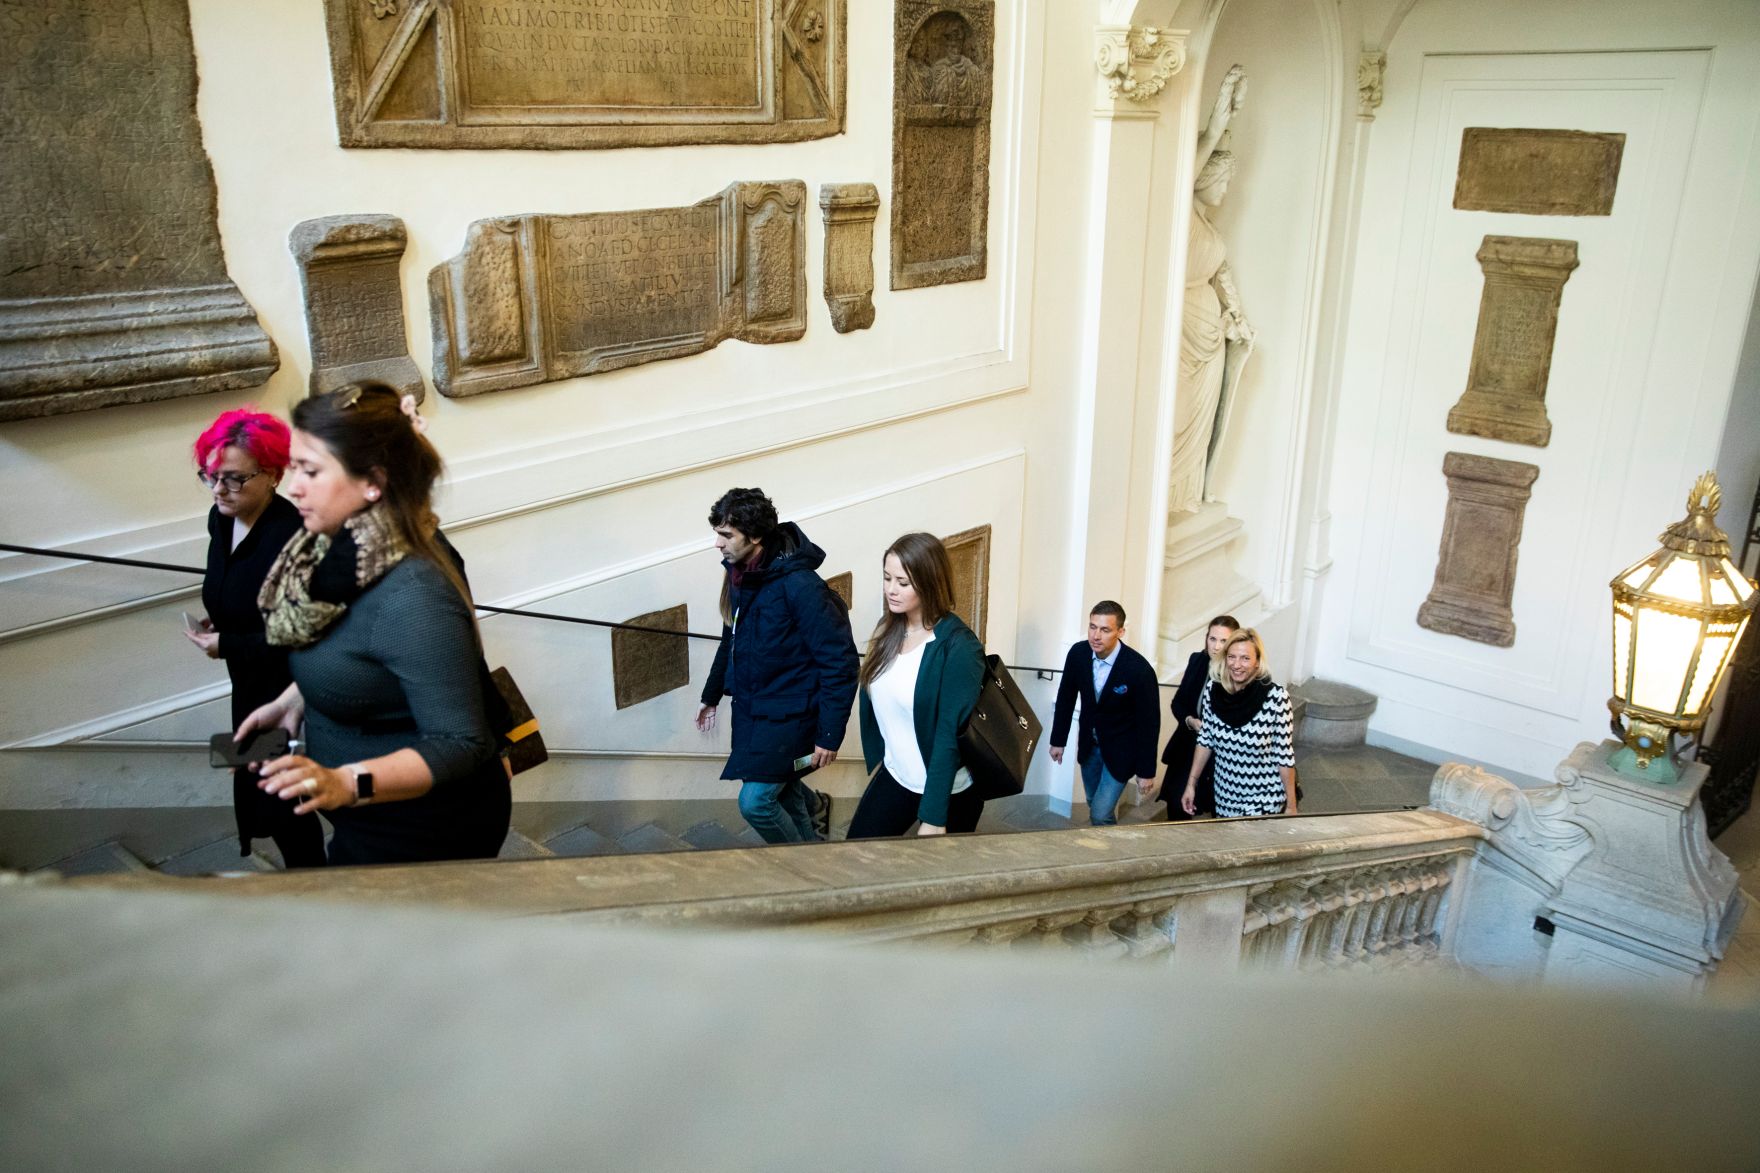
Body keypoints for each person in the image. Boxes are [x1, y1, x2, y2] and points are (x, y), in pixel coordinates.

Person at [238, 382, 511, 865]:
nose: (292, 486)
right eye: (293, 467)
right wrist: (294, 699)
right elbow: (360, 645)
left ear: (373, 482)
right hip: (361, 817)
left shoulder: (413, 593)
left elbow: (462, 743)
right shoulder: (337, 550)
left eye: (311, 471)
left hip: (421, 832)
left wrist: (344, 782)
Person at [183, 408, 326, 868]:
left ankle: (323, 888)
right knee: (263, 789)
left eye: (233, 479)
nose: (219, 489)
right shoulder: (220, 519)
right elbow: (233, 587)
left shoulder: (294, 536)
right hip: (247, 683)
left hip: (291, 689)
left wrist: (228, 644)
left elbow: (308, 634)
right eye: (209, 475)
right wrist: (218, 619)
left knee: (286, 800)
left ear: (273, 475)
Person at [696, 488, 858, 844]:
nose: (717, 544)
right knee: (784, 792)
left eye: (726, 535)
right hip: (755, 713)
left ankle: (797, 865)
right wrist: (711, 695)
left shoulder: (801, 586)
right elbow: (732, 639)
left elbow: (840, 662)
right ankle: (813, 863)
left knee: (755, 802)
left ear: (754, 536)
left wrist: (829, 735)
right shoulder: (740, 575)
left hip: (793, 720)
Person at [847, 533, 988, 839]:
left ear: (929, 582)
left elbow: (948, 735)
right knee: (856, 852)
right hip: (898, 773)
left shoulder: (960, 647)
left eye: (902, 582)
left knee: (939, 880)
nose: (890, 590)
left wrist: (934, 817)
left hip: (946, 788)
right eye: (887, 578)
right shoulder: (888, 628)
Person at [1170, 63, 1255, 514]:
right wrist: (1216, 125)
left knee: (1200, 425)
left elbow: (1221, 274)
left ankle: (1186, 497)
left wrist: (1237, 317)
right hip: (1184, 330)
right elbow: (1177, 179)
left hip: (1209, 335)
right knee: (1177, 417)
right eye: (1220, 180)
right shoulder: (1181, 215)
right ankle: (1167, 497)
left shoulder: (1208, 228)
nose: (1225, 189)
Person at [1047, 602, 1161, 827]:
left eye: (1105, 630)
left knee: (1099, 813)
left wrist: (1146, 771)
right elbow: (1066, 698)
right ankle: (1108, 840)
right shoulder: (1078, 654)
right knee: (1094, 803)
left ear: (1120, 632)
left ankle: (1108, 856)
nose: (1096, 636)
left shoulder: (1139, 669)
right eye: (1092, 627)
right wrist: (1058, 741)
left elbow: (1149, 724)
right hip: (1089, 746)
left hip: (1121, 752)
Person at [1180, 628, 1297, 819]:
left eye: (1245, 658)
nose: (1237, 665)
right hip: (1225, 796)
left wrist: (1291, 807)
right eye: (1232, 657)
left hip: (1264, 796)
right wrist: (1190, 785)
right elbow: (1205, 739)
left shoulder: (1276, 698)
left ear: (1257, 662)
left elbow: (1284, 756)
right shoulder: (1213, 690)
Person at [1160, 614, 1241, 822]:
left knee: (1213, 808)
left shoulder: (1238, 672)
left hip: (1220, 752)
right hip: (1188, 743)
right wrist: (1190, 720)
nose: (1216, 646)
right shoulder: (1197, 660)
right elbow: (1178, 703)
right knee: (1176, 801)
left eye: (1224, 641)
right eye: (1212, 639)